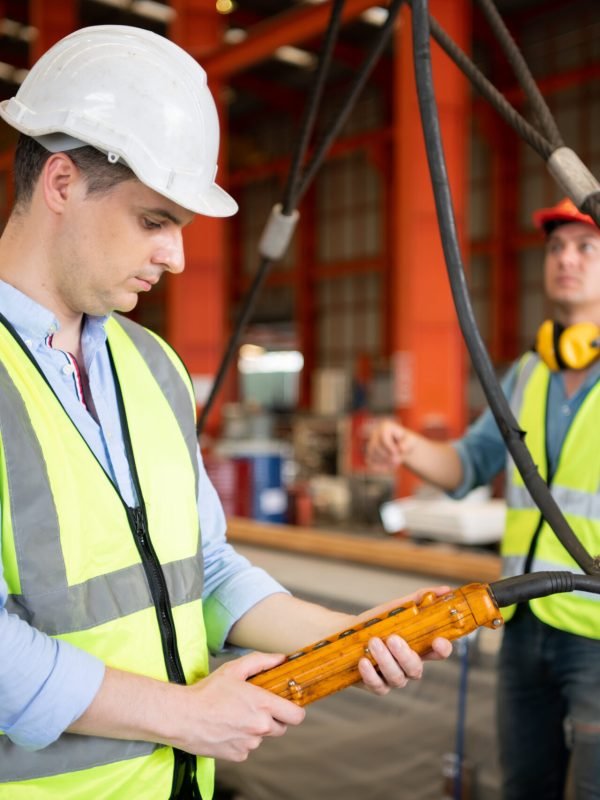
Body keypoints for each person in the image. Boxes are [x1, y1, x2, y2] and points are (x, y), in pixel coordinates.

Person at [0, 25, 453, 800]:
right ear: (63, 184)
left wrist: (354, 638)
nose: (176, 257)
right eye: (154, 221)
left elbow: (202, 570)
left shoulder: (153, 366)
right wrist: (183, 715)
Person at [367, 196, 600, 800]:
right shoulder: (525, 375)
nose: (566, 260)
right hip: (523, 615)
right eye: (555, 249)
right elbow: (465, 467)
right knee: (524, 784)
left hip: (597, 630)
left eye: (585, 247)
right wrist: (407, 446)